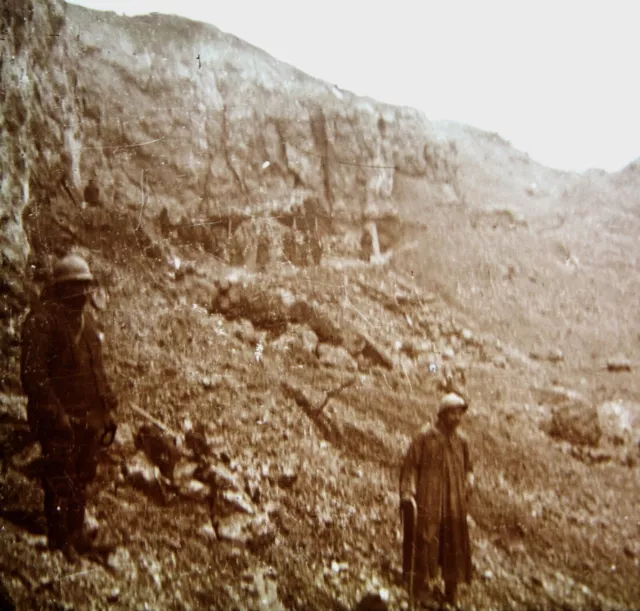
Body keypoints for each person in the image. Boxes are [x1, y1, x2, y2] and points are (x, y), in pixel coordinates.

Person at [20, 254, 118, 561]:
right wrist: (56, 415)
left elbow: (97, 372)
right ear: (62, 288)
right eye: (77, 286)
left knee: (82, 477)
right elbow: (34, 376)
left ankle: (76, 536)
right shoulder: (42, 322)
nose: (84, 292)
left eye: (86, 285)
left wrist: (107, 412)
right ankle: (58, 540)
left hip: (87, 419)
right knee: (59, 477)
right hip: (58, 418)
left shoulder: (87, 325)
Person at [399, 393, 474, 607]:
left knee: (454, 542)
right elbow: (410, 466)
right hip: (429, 498)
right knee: (425, 538)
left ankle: (451, 590)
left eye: (460, 413)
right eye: (453, 412)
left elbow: (469, 466)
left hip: (454, 501)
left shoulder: (462, 441)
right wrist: (407, 491)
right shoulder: (424, 436)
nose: (457, 418)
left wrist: (470, 478)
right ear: (442, 414)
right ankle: (420, 587)